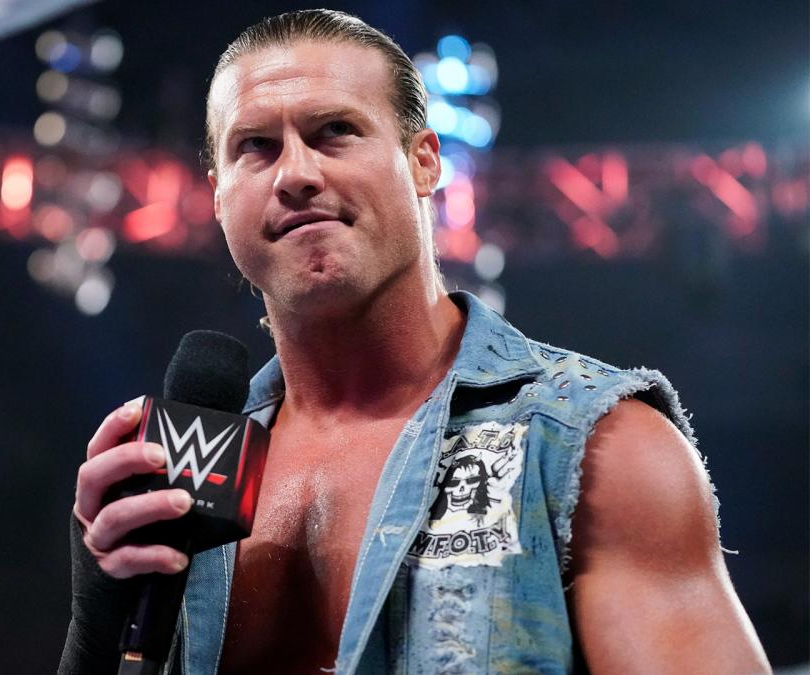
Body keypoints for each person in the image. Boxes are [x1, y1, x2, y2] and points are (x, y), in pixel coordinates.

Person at [62, 9, 770, 674]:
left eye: (335, 131)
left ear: (425, 160)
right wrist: (94, 637)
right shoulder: (184, 486)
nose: (296, 174)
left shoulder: (601, 451)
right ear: (220, 196)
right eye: (257, 147)